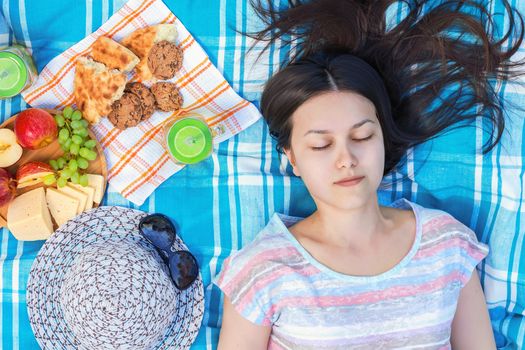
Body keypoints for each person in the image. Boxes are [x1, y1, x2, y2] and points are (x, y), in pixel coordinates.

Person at [215, 0, 525, 348]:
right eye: (321, 146)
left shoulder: (448, 245)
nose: (346, 159)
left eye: (362, 136)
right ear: (293, 159)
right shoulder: (262, 268)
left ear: (382, 137)